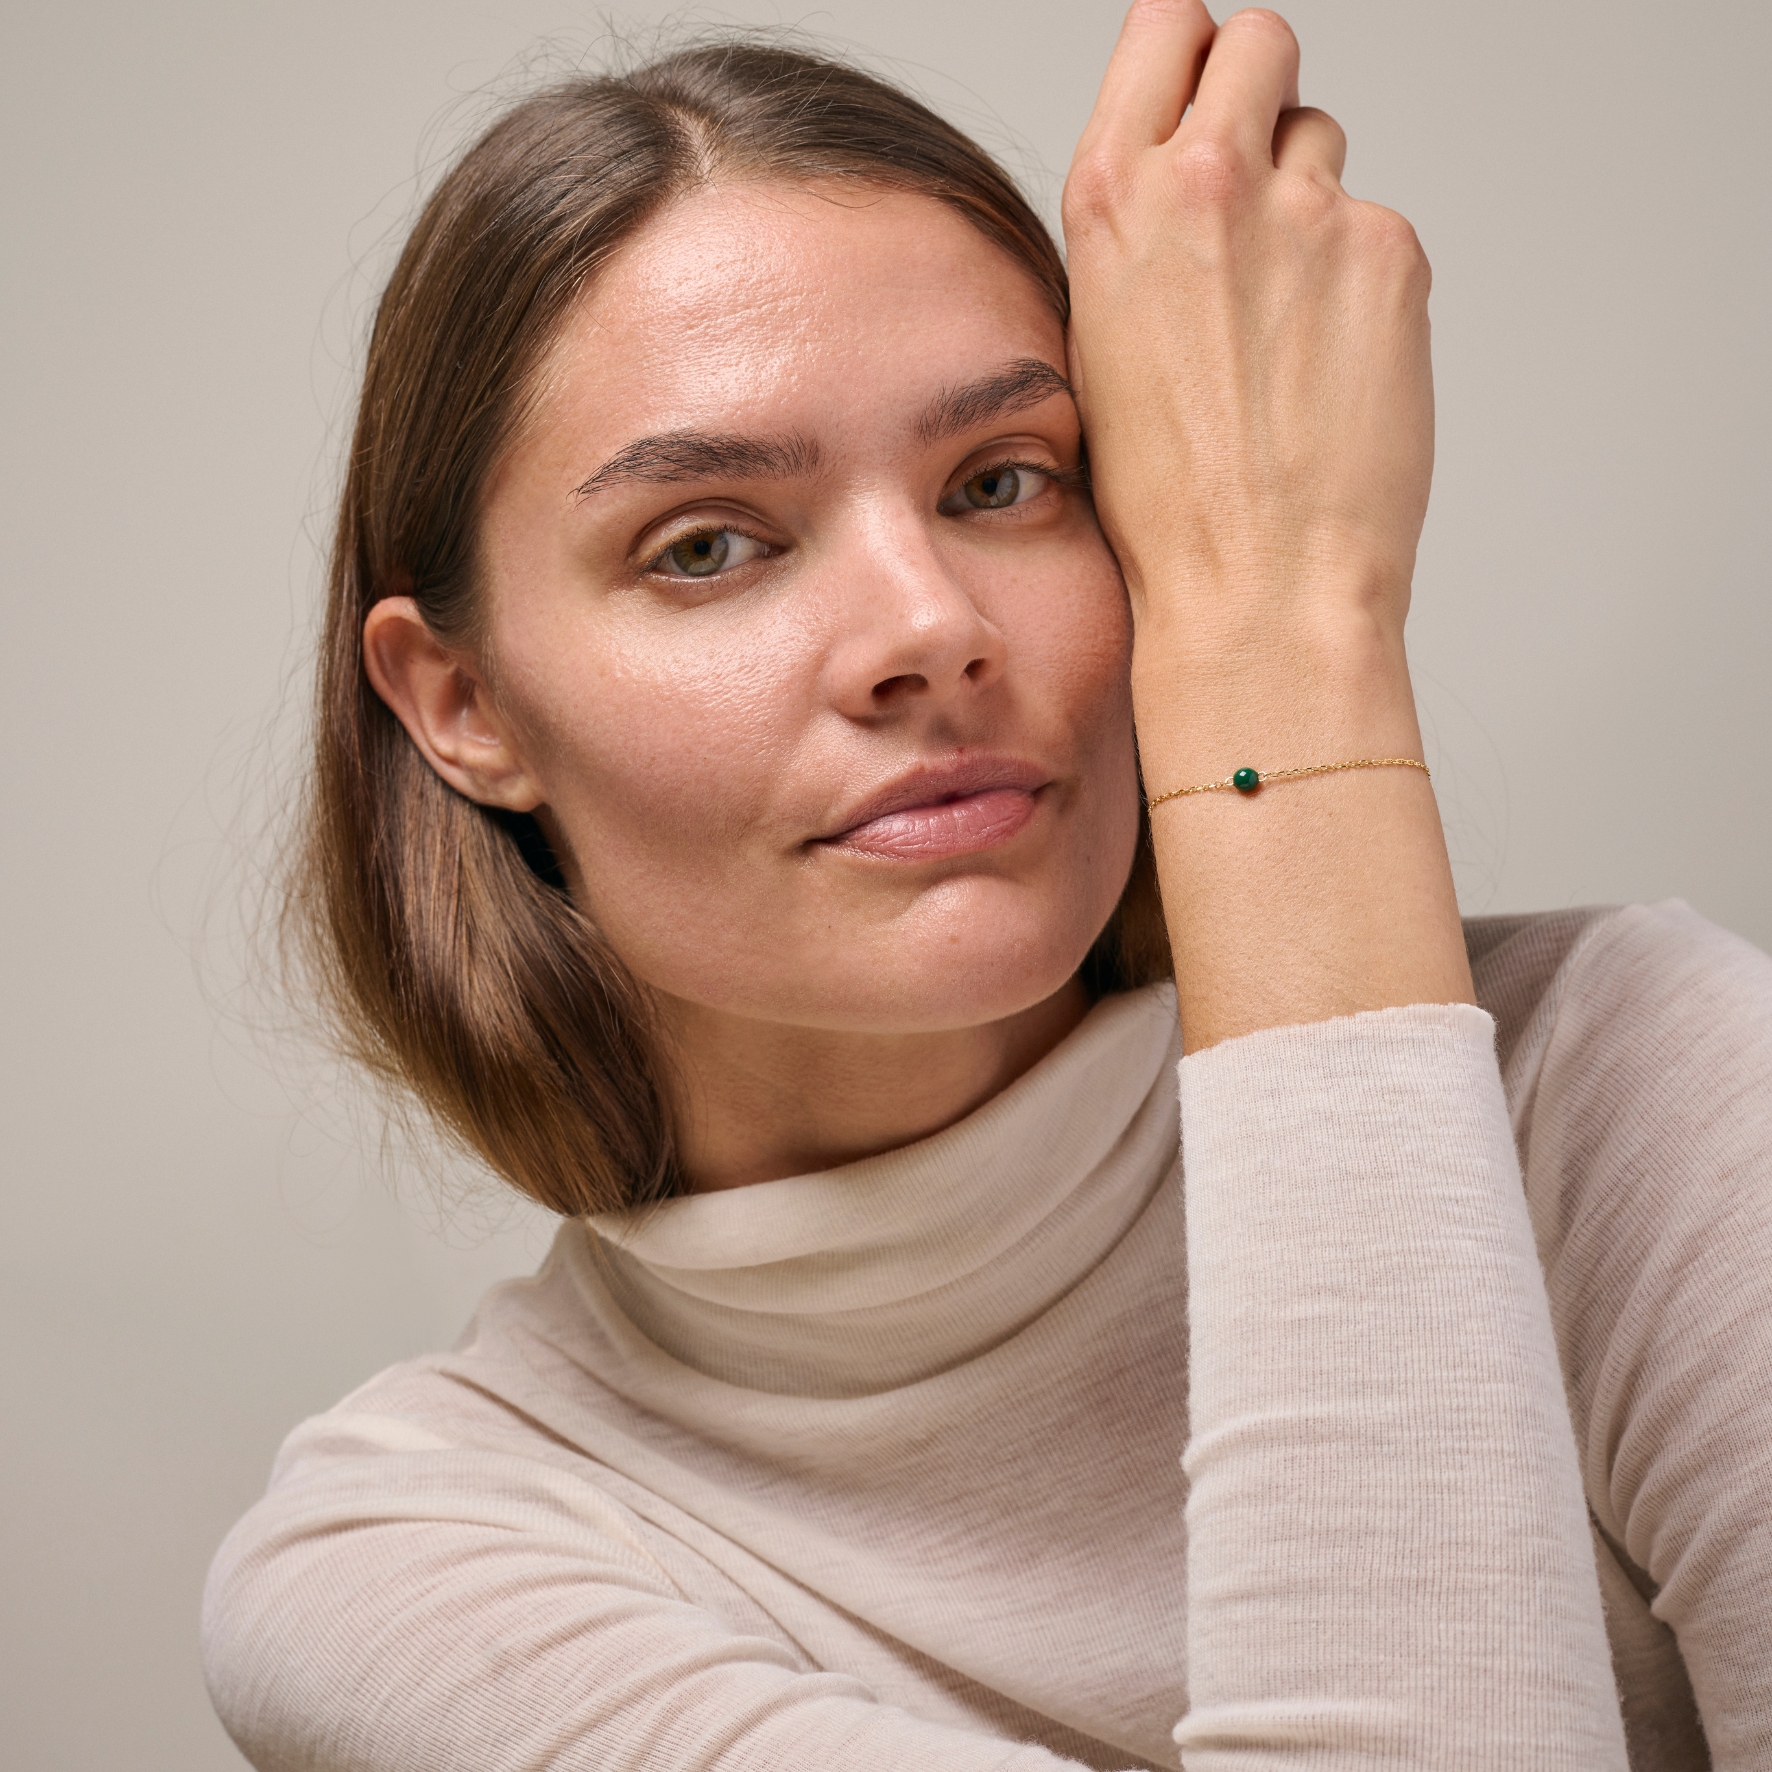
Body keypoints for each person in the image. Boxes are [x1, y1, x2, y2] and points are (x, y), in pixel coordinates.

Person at [201, 5, 1772, 1768]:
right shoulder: (420, 1569)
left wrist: (1278, 636)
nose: (931, 629)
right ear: (463, 705)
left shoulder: (1635, 1088)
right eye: (707, 542)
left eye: (1004, 482)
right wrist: (1281, 652)